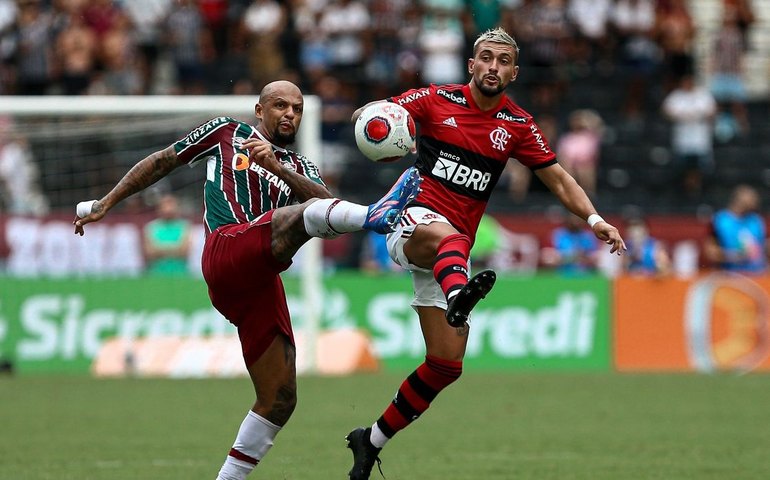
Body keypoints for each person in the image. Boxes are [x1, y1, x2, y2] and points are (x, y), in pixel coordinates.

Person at [72, 80, 422, 480]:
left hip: (260, 279)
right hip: (226, 250)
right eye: (280, 105)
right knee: (294, 217)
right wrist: (106, 203)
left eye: (297, 108)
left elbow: (327, 206)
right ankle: (375, 214)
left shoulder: (300, 166)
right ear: (259, 110)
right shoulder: (227, 132)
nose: (289, 114)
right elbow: (163, 161)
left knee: (280, 398)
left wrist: (277, 168)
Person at [344, 27, 625, 480]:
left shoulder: (517, 125)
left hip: (449, 256)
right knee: (450, 239)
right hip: (412, 222)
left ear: (514, 73)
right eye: (487, 58)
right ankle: (460, 295)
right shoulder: (435, 99)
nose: (493, 66)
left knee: (445, 365)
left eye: (503, 61)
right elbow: (380, 114)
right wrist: (372, 117)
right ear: (471, 64)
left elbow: (559, 179)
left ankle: (371, 439)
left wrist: (595, 220)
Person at [704, 184, 768, 275]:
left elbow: (764, 247)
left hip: (758, 274)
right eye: (751, 197)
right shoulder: (720, 220)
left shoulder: (756, 220)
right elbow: (710, 252)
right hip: (731, 276)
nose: (755, 200)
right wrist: (734, 256)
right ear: (739, 199)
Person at [143, 193, 191, 276]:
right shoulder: (151, 227)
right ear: (159, 208)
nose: (168, 209)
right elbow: (150, 253)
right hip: (156, 274)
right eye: (165, 205)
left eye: (171, 205)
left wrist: (159, 250)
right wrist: (175, 249)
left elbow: (184, 252)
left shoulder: (184, 226)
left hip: (180, 274)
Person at [544, 212, 599, 276]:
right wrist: (573, 257)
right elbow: (550, 257)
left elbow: (594, 257)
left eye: (579, 219)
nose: (576, 221)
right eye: (573, 218)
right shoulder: (558, 234)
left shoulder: (588, 236)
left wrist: (581, 257)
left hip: (584, 273)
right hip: (561, 272)